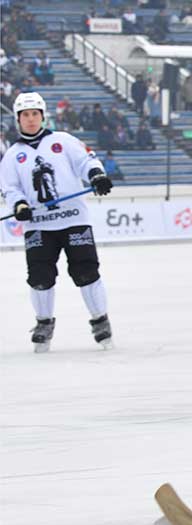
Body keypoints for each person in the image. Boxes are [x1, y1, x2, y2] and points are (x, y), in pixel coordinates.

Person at [0, 92, 116, 352]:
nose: (30, 120)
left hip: (73, 219)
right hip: (38, 225)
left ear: (42, 116)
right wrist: (19, 205)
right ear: (18, 119)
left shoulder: (63, 141)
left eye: (34, 114)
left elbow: (86, 160)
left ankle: (100, 320)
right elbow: (10, 189)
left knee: (85, 272)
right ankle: (44, 323)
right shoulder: (12, 156)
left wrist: (96, 176)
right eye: (25, 115)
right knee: (40, 277)